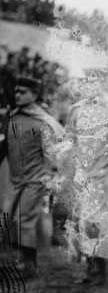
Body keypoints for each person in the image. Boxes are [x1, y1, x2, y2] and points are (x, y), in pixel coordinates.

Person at [65, 67, 108, 284]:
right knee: (83, 222)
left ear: (102, 84)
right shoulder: (76, 110)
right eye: (84, 82)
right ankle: (91, 267)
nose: (88, 86)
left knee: (98, 223)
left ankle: (98, 270)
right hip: (82, 176)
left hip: (104, 176)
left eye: (93, 82)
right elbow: (71, 141)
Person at [0, 76, 66, 277]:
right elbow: (4, 146)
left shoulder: (43, 122)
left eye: (23, 92)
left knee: (24, 220)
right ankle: (22, 261)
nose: (17, 95)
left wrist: (50, 179)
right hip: (16, 180)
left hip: (36, 180)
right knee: (10, 218)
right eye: (17, 91)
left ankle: (30, 266)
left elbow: (53, 156)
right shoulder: (12, 117)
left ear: (35, 95)